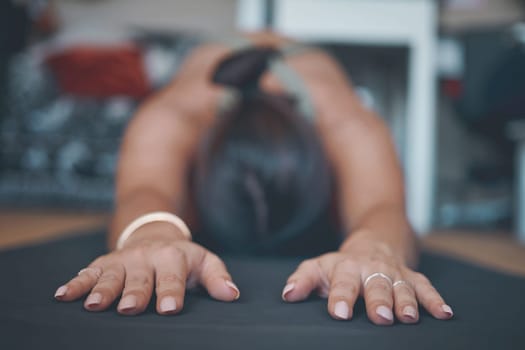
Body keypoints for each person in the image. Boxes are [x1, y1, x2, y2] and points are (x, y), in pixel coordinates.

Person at [54, 31, 453, 326]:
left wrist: (373, 245)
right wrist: (152, 233)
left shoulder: (349, 122)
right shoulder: (173, 115)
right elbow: (145, 191)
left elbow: (382, 207)